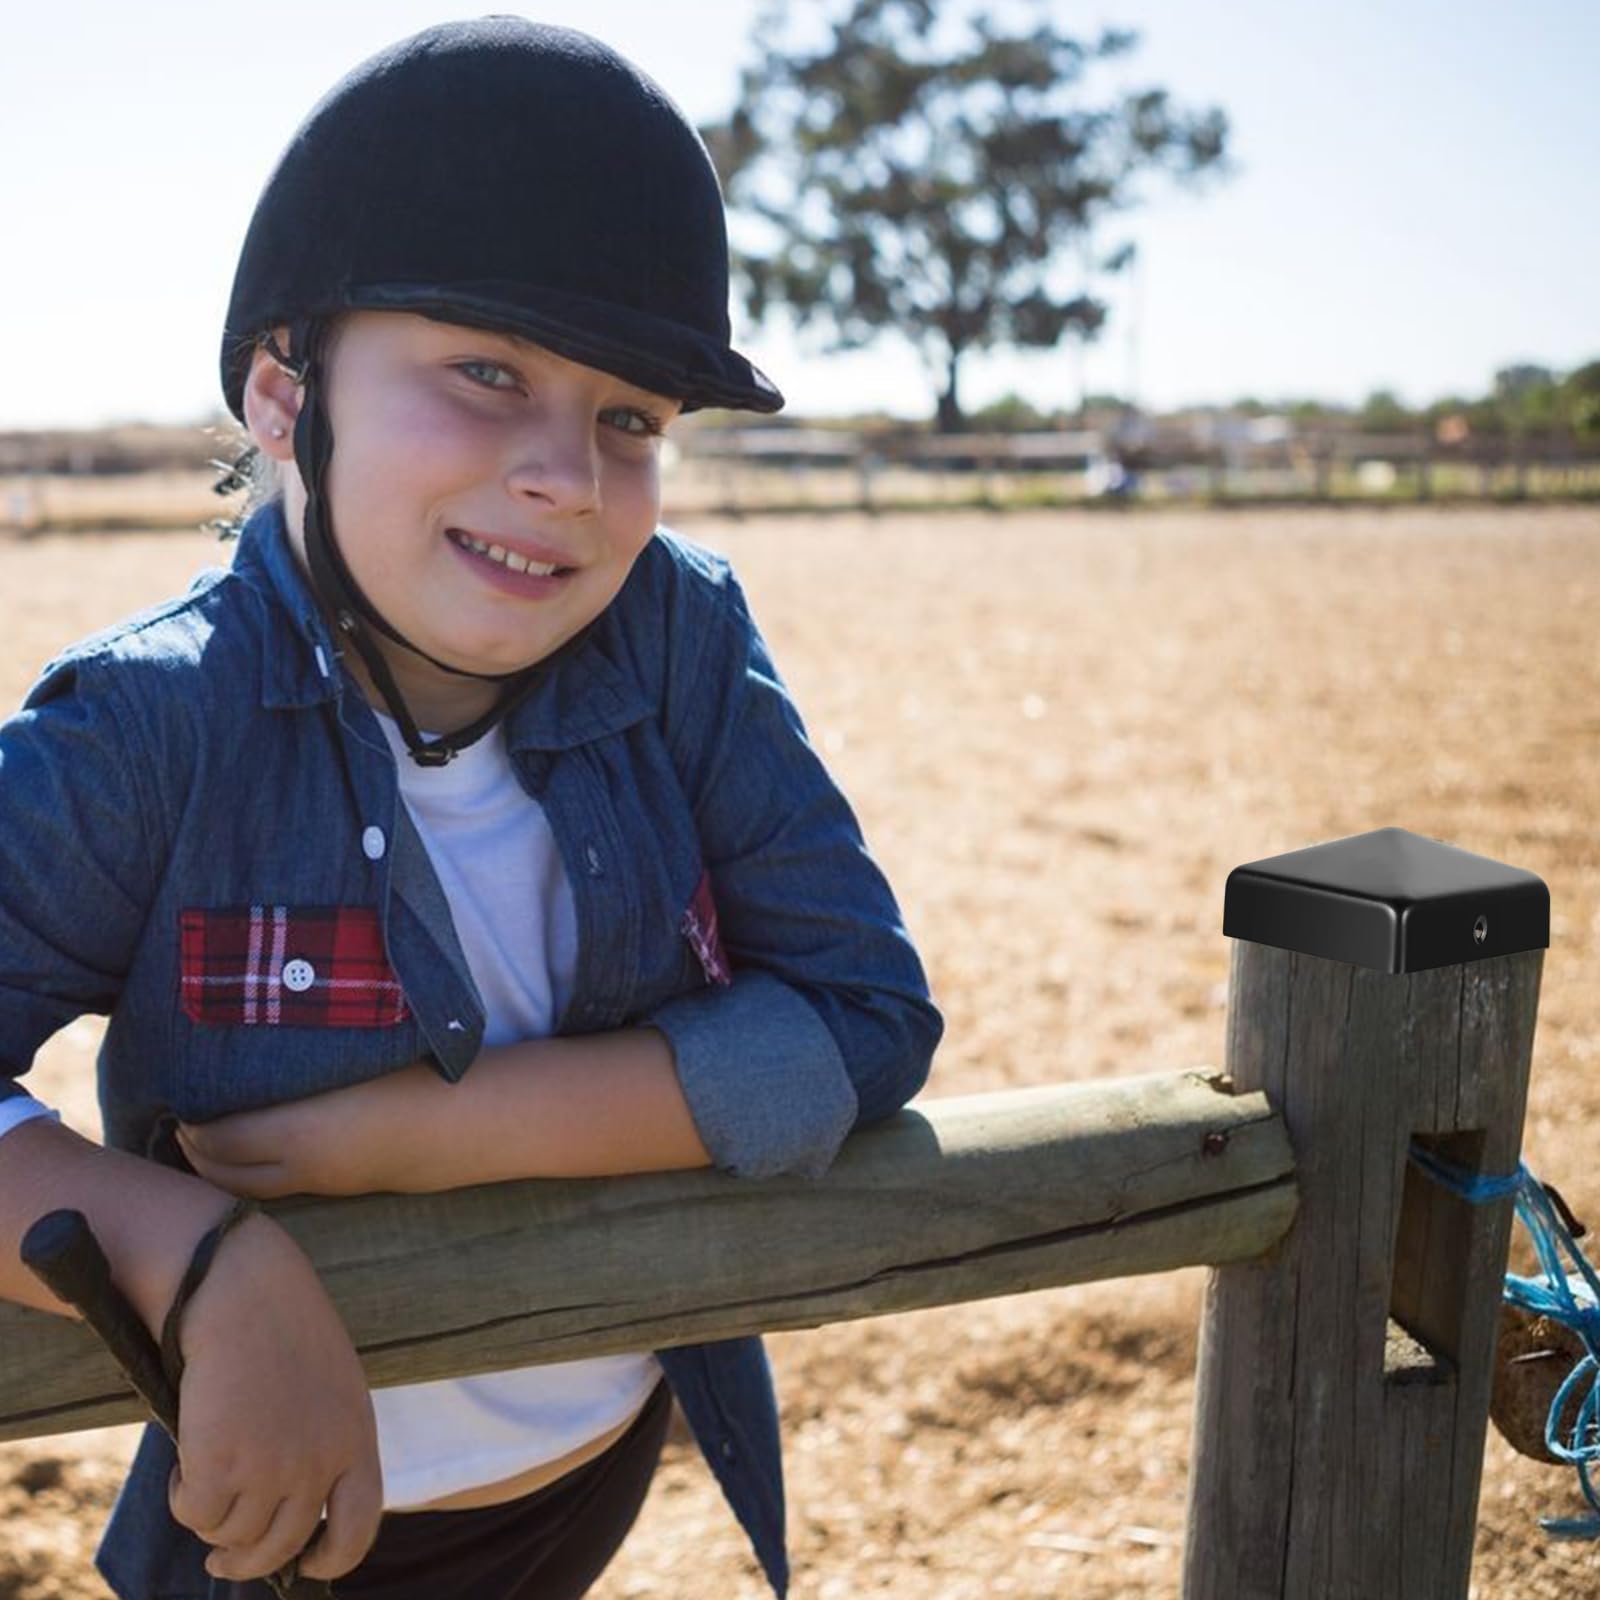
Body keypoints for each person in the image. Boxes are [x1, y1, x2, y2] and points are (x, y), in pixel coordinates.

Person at [0, 18, 942, 1600]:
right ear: (283, 391)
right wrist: (203, 1259)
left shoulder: (680, 636)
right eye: (488, 373)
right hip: (281, 1529)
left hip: (602, 1456)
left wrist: (424, 1137)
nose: (568, 476)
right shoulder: (148, 727)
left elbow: (866, 1016)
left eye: (632, 419)